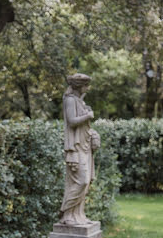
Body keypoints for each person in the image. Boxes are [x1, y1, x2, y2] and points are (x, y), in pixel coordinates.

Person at [60, 73, 100, 225]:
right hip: (75, 148)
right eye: (85, 85)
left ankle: (78, 215)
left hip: (84, 146)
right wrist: (88, 115)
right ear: (78, 86)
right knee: (80, 181)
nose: (87, 88)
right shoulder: (70, 100)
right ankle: (67, 214)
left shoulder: (79, 101)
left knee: (87, 181)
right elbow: (71, 121)